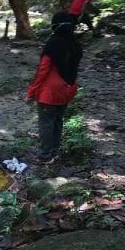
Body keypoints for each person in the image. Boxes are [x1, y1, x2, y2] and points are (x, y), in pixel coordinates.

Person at [26, 11, 83, 165]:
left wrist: (31, 92)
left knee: (46, 123)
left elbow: (43, 70)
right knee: (58, 121)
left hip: (50, 92)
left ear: (55, 25)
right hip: (67, 89)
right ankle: (54, 151)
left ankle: (44, 155)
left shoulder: (53, 43)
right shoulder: (75, 43)